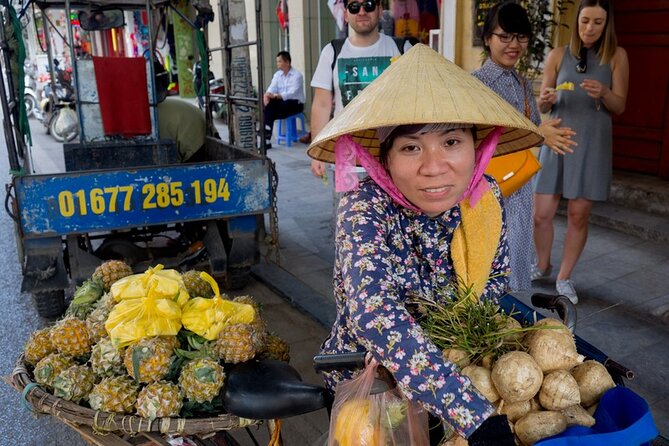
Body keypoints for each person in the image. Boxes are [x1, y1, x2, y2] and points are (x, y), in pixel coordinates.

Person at [307, 45, 543, 445]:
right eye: (411, 147)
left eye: (451, 142)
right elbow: (374, 313)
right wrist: (474, 415)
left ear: (476, 147)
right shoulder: (365, 207)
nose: (434, 166)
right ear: (385, 159)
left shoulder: (483, 198)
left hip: (461, 379)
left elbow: (494, 288)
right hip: (373, 390)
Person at [472, 2, 577, 292]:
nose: (513, 44)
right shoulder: (476, 84)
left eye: (521, 37)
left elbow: (532, 127)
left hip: (518, 186)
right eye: (504, 37)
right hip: (486, 189)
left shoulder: (520, 81)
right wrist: (536, 132)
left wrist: (545, 129)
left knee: (512, 262)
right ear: (487, 39)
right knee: (485, 268)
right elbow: (474, 141)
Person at [533, 0, 629, 303]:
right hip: (558, 139)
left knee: (578, 215)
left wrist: (605, 93)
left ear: (606, 25)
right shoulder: (557, 55)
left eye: (597, 22)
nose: (589, 28)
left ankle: (564, 277)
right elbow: (542, 105)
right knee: (541, 214)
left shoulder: (616, 56)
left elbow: (620, 106)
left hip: (592, 143)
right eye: (585, 20)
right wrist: (545, 100)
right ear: (577, 21)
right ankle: (543, 264)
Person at [308, 0, 412, 176]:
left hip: (394, 159)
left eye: (369, 5)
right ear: (346, 14)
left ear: (379, 10)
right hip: (348, 162)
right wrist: (317, 153)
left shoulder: (403, 49)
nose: (362, 11)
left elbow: (416, 100)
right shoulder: (332, 52)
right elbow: (321, 104)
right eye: (354, 7)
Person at [262, 51, 305, 148]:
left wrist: (277, 96)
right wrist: (268, 95)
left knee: (269, 109)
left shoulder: (297, 75)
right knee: (269, 105)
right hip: (282, 103)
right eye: (277, 62)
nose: (277, 64)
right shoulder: (277, 75)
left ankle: (265, 135)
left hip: (295, 103)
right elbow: (272, 87)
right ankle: (267, 138)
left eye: (280, 61)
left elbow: (292, 93)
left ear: (287, 62)